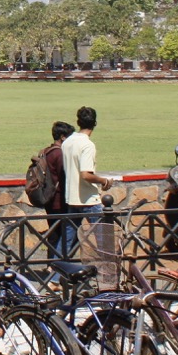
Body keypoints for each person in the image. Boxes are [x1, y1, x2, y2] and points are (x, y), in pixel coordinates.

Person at [61, 106, 113, 256]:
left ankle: (55, 268)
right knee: (103, 239)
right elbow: (86, 174)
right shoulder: (87, 145)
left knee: (67, 241)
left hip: (72, 198)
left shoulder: (67, 142)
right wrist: (103, 181)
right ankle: (107, 266)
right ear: (95, 123)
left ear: (78, 122)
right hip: (88, 200)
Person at [44, 120, 75, 258]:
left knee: (54, 232)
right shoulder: (59, 154)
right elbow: (64, 177)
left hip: (49, 198)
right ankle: (56, 263)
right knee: (62, 233)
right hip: (59, 200)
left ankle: (51, 262)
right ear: (63, 137)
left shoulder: (47, 151)